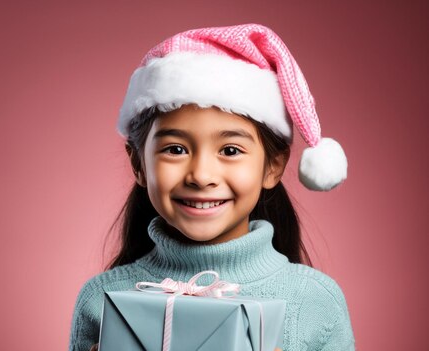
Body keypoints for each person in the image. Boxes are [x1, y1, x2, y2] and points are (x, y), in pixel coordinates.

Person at [69, 24, 354, 351]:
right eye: (175, 149)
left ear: (273, 166)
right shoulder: (99, 300)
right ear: (139, 164)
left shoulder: (315, 301)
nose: (202, 176)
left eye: (230, 151)